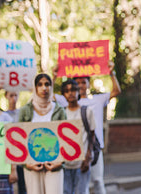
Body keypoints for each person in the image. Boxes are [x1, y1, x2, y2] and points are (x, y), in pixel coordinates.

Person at [54, 62, 121, 194]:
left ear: (89, 84)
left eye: (83, 82)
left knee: (97, 181)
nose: (81, 85)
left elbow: (116, 91)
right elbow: (48, 95)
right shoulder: (67, 101)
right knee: (76, 187)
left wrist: (111, 72)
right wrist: (54, 76)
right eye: (77, 83)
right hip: (74, 151)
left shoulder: (98, 99)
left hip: (94, 148)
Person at [19, 73, 66, 194]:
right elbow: (19, 139)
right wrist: (27, 164)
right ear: (35, 87)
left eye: (47, 84)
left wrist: (60, 162)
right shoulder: (25, 111)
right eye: (40, 84)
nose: (44, 88)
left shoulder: (59, 110)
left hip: (54, 164)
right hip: (32, 165)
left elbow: (67, 139)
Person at [60, 79, 96, 194]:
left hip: (81, 163)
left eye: (73, 90)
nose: (70, 93)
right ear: (63, 94)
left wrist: (88, 157)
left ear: (78, 91)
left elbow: (92, 136)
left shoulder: (87, 112)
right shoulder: (61, 113)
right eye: (66, 91)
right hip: (65, 164)